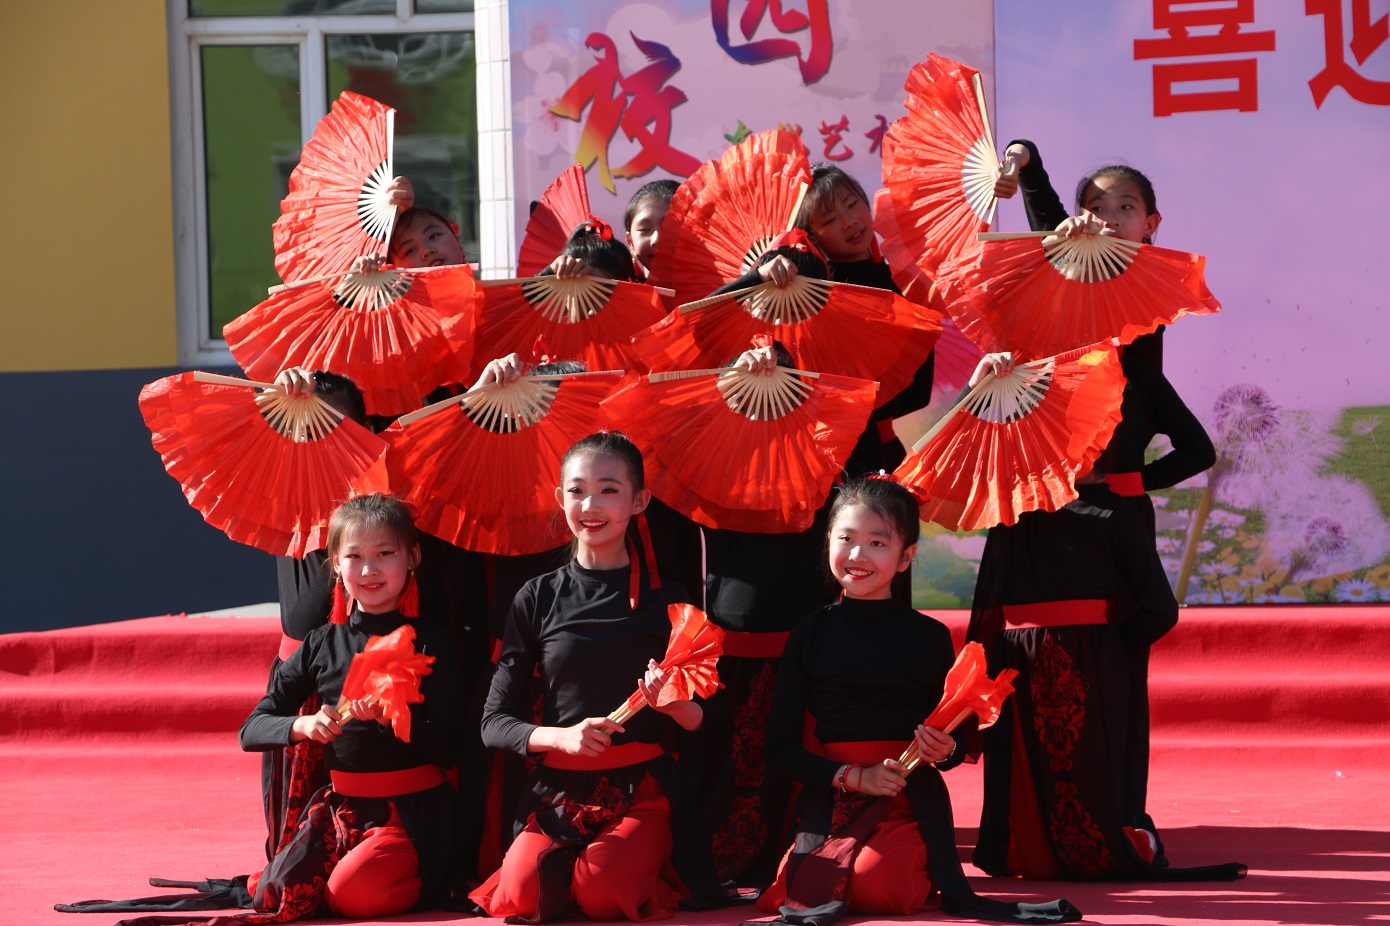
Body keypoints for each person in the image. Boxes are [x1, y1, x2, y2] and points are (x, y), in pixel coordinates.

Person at [57, 495, 465, 923]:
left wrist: (394, 719)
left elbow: (450, 748)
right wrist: (304, 725)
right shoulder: (321, 643)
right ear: (335, 564)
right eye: (355, 556)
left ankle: (406, 878)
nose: (369, 570)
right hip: (342, 813)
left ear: (412, 557)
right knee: (272, 894)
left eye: (384, 554)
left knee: (355, 896)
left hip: (410, 816)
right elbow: (252, 729)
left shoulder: (431, 643)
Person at [757, 476, 1080, 925]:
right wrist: (854, 777)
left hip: (905, 793)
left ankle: (920, 863)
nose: (858, 555)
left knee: (878, 888)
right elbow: (780, 747)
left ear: (905, 556)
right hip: (834, 790)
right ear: (827, 541)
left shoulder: (929, 637)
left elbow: (954, 744)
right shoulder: (808, 634)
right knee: (802, 890)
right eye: (846, 539)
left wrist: (943, 749)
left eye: (877, 543)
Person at [966, 398, 1244, 881]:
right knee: (1090, 761)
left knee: (1027, 763)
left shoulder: (1013, 513)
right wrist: (1113, 645)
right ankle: (1092, 848)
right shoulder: (1115, 515)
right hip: (1090, 655)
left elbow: (988, 601)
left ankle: (1020, 849)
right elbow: (1160, 608)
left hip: (1017, 657)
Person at [470, 432, 702, 922]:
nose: (590, 505)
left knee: (601, 893)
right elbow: (493, 723)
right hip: (558, 787)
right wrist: (562, 737)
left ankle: (630, 869)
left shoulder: (670, 600)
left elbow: (706, 718)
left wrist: (669, 703)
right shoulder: (536, 597)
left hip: (642, 790)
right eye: (577, 491)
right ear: (560, 498)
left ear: (639, 501)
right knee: (521, 897)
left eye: (609, 490)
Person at [261, 370, 369, 862]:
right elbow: (254, 436)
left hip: (367, 678)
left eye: (337, 425)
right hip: (300, 683)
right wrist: (278, 400)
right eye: (311, 428)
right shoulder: (281, 483)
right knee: (293, 850)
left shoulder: (384, 496)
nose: (325, 440)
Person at [624, 178, 679, 281]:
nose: (656, 240)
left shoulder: (712, 288)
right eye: (645, 229)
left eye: (668, 227)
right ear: (630, 243)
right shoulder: (609, 289)